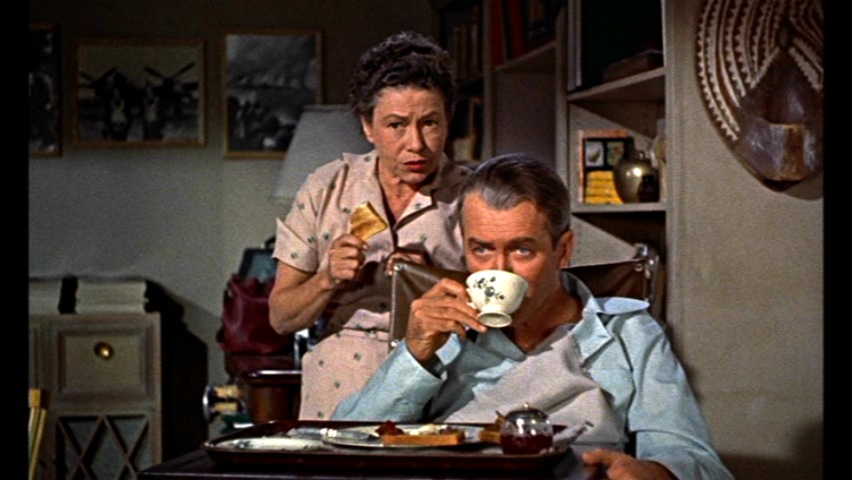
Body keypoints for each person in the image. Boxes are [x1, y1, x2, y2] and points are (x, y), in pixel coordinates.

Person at [333, 154, 734, 480]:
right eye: (481, 249)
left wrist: (657, 472)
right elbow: (342, 446)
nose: (499, 270)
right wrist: (414, 355)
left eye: (522, 250)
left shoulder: (629, 334)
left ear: (564, 250)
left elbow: (698, 462)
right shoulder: (444, 333)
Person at [268, 31, 470, 420]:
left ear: (448, 120)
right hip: (342, 379)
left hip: (443, 379)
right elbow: (281, 318)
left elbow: (509, 310)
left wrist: (429, 279)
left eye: (430, 123)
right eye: (396, 125)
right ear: (368, 126)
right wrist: (327, 278)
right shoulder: (326, 188)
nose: (416, 144)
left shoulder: (476, 196)